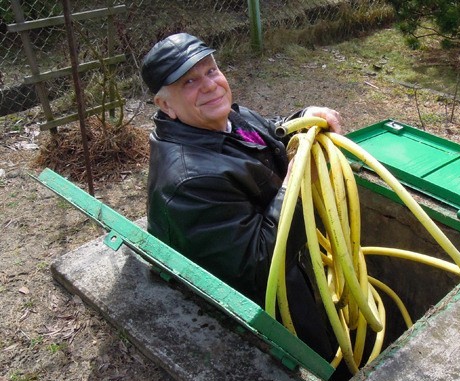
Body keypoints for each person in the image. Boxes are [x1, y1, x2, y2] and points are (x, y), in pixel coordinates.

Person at [140, 33, 342, 361]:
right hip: (265, 310)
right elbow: (259, 266)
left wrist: (303, 117)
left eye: (211, 71)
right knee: (324, 358)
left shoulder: (224, 119)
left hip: (297, 262)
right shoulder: (189, 183)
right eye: (189, 81)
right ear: (165, 105)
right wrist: (295, 186)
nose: (209, 86)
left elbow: (266, 132)